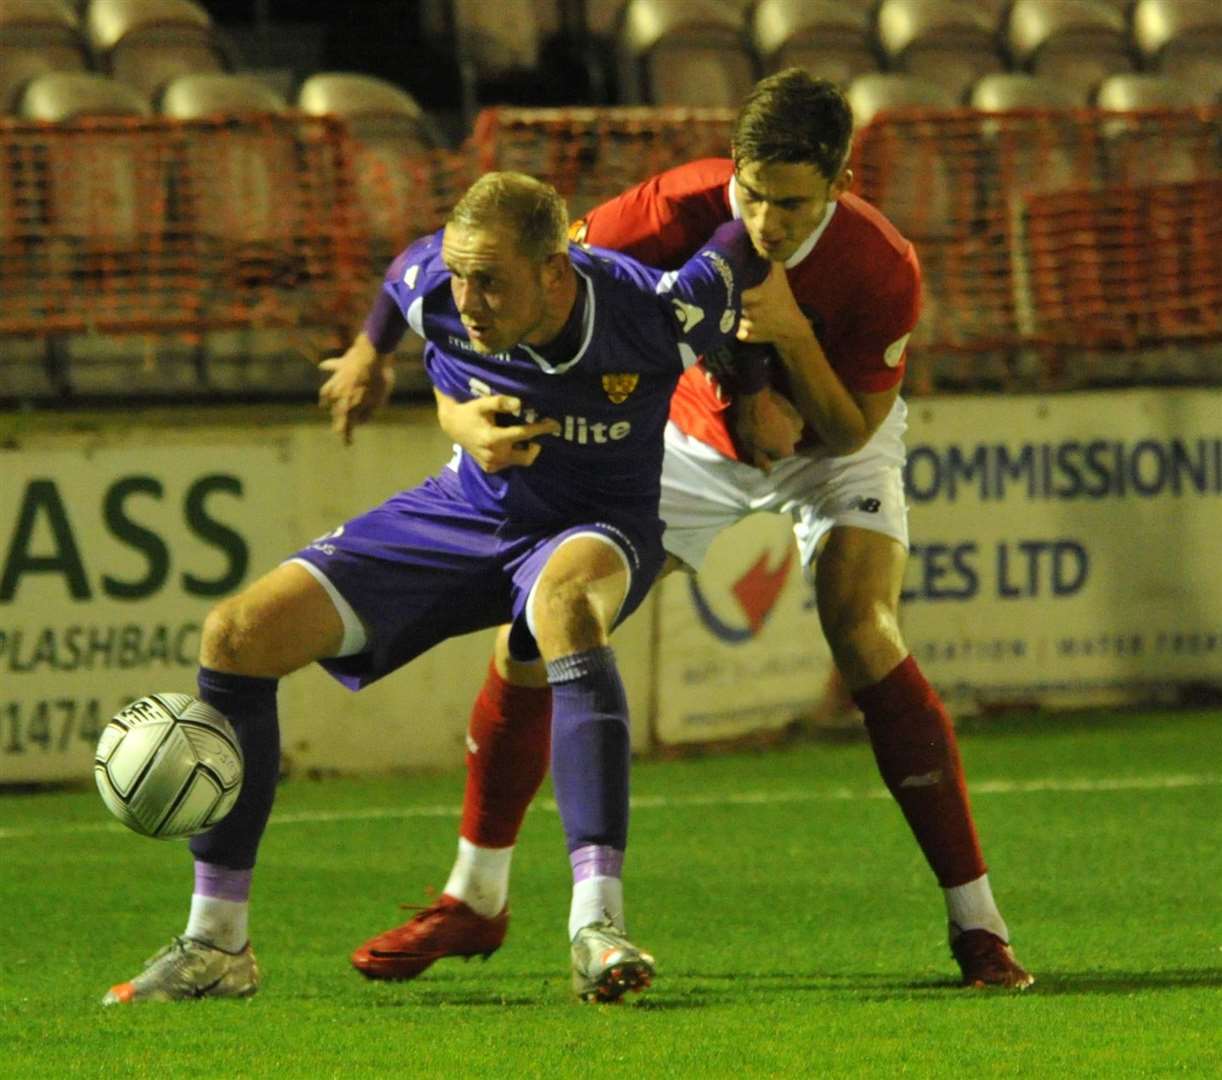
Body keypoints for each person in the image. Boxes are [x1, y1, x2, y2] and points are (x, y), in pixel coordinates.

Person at [355, 71, 1034, 991]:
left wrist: (790, 340)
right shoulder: (675, 201)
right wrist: (455, 406)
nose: (765, 219)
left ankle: (978, 925)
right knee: (541, 629)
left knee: (864, 630)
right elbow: (532, 289)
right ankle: (475, 895)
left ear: (838, 184)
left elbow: (852, 433)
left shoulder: (883, 264)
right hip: (683, 444)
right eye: (751, 193)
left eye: (792, 202)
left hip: (830, 448)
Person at [102, 170, 768, 1007]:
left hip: (595, 524)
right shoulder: (439, 283)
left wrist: (756, 391)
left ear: (556, 271)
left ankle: (597, 925)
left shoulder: (646, 311)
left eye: (491, 279)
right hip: (463, 510)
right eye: (460, 274)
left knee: (563, 607)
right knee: (236, 634)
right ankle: (216, 944)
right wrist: (369, 355)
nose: (468, 297)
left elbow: (740, 245)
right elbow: (399, 282)